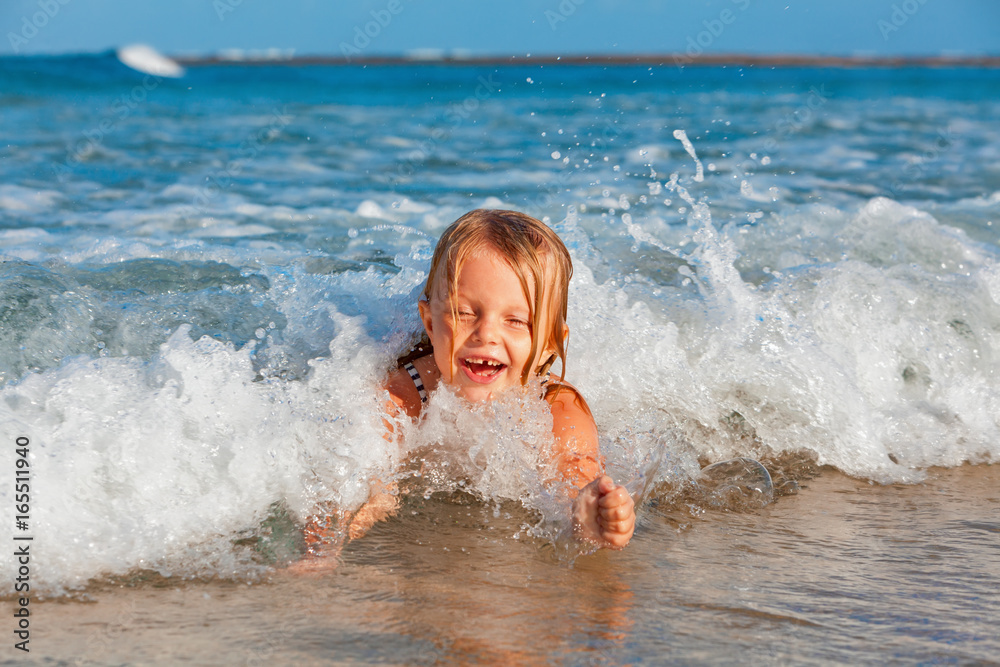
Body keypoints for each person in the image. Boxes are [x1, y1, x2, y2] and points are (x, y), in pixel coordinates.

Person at [295, 209, 635, 570]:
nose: (486, 334)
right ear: (429, 321)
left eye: (516, 321)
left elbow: (574, 472)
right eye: (463, 313)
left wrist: (589, 513)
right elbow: (349, 480)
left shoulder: (557, 405)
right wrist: (321, 552)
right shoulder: (407, 392)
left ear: (551, 342)